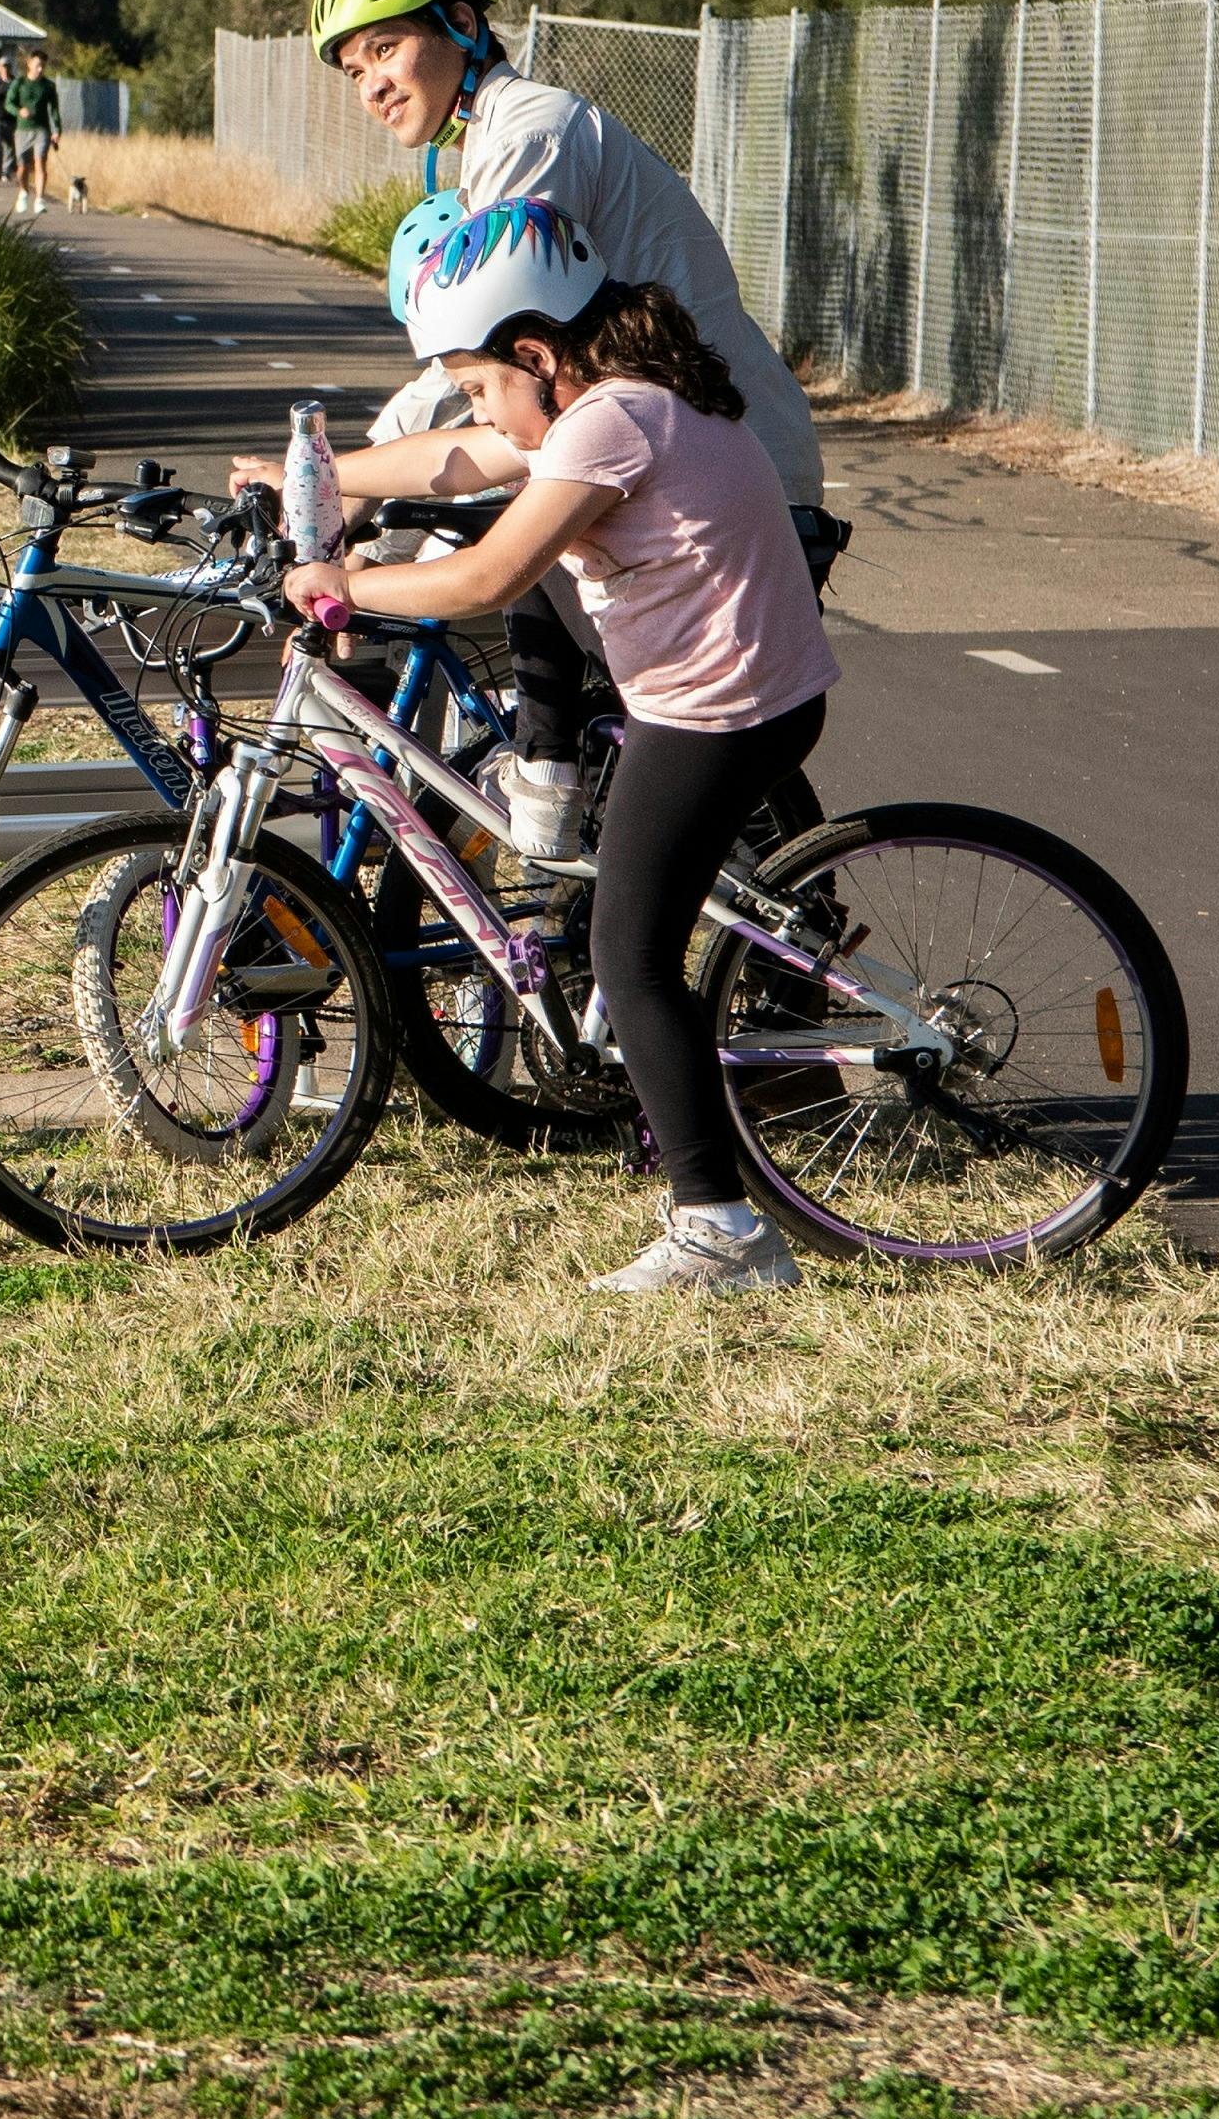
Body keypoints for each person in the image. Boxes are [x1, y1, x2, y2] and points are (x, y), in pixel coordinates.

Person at [262, 196, 840, 1296]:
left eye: (484, 381)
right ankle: (551, 775)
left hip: (720, 714)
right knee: (544, 564)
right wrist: (326, 477)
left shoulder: (607, 425)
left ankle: (725, 1228)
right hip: (737, 689)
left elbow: (484, 578)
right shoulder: (617, 400)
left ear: (538, 353)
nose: (486, 408)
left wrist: (344, 587)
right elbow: (465, 457)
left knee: (630, 958)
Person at [302, 0, 819, 518]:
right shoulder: (496, 140)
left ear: (463, 25)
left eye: (386, 48)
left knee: (433, 577)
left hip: (725, 475)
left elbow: (480, 355)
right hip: (678, 455)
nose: (372, 85)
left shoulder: (530, 137)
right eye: (354, 72)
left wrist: (338, 494)